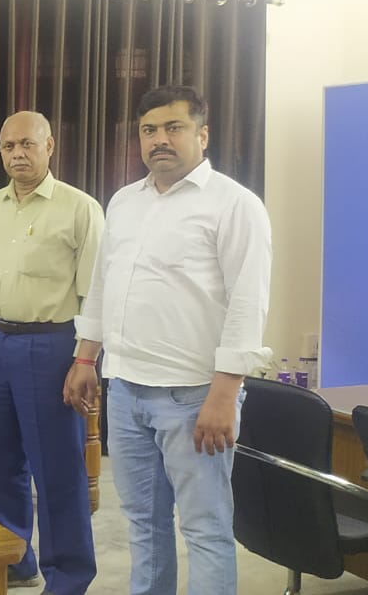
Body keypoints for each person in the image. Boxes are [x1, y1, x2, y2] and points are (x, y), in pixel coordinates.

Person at [65, 85, 273, 595]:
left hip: (194, 395)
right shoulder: (124, 202)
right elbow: (103, 285)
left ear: (202, 135)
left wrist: (224, 394)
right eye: (149, 130)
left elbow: (248, 304)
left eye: (173, 128)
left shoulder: (234, 204)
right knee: (143, 523)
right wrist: (85, 358)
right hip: (126, 389)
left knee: (204, 529)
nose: (159, 139)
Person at [0, 111, 102, 594]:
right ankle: (16, 559)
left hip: (50, 346)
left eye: (27, 144)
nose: (17, 154)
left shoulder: (80, 209)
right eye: (8, 146)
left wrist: (85, 360)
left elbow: (95, 294)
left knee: (57, 467)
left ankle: (69, 576)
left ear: (50, 146)